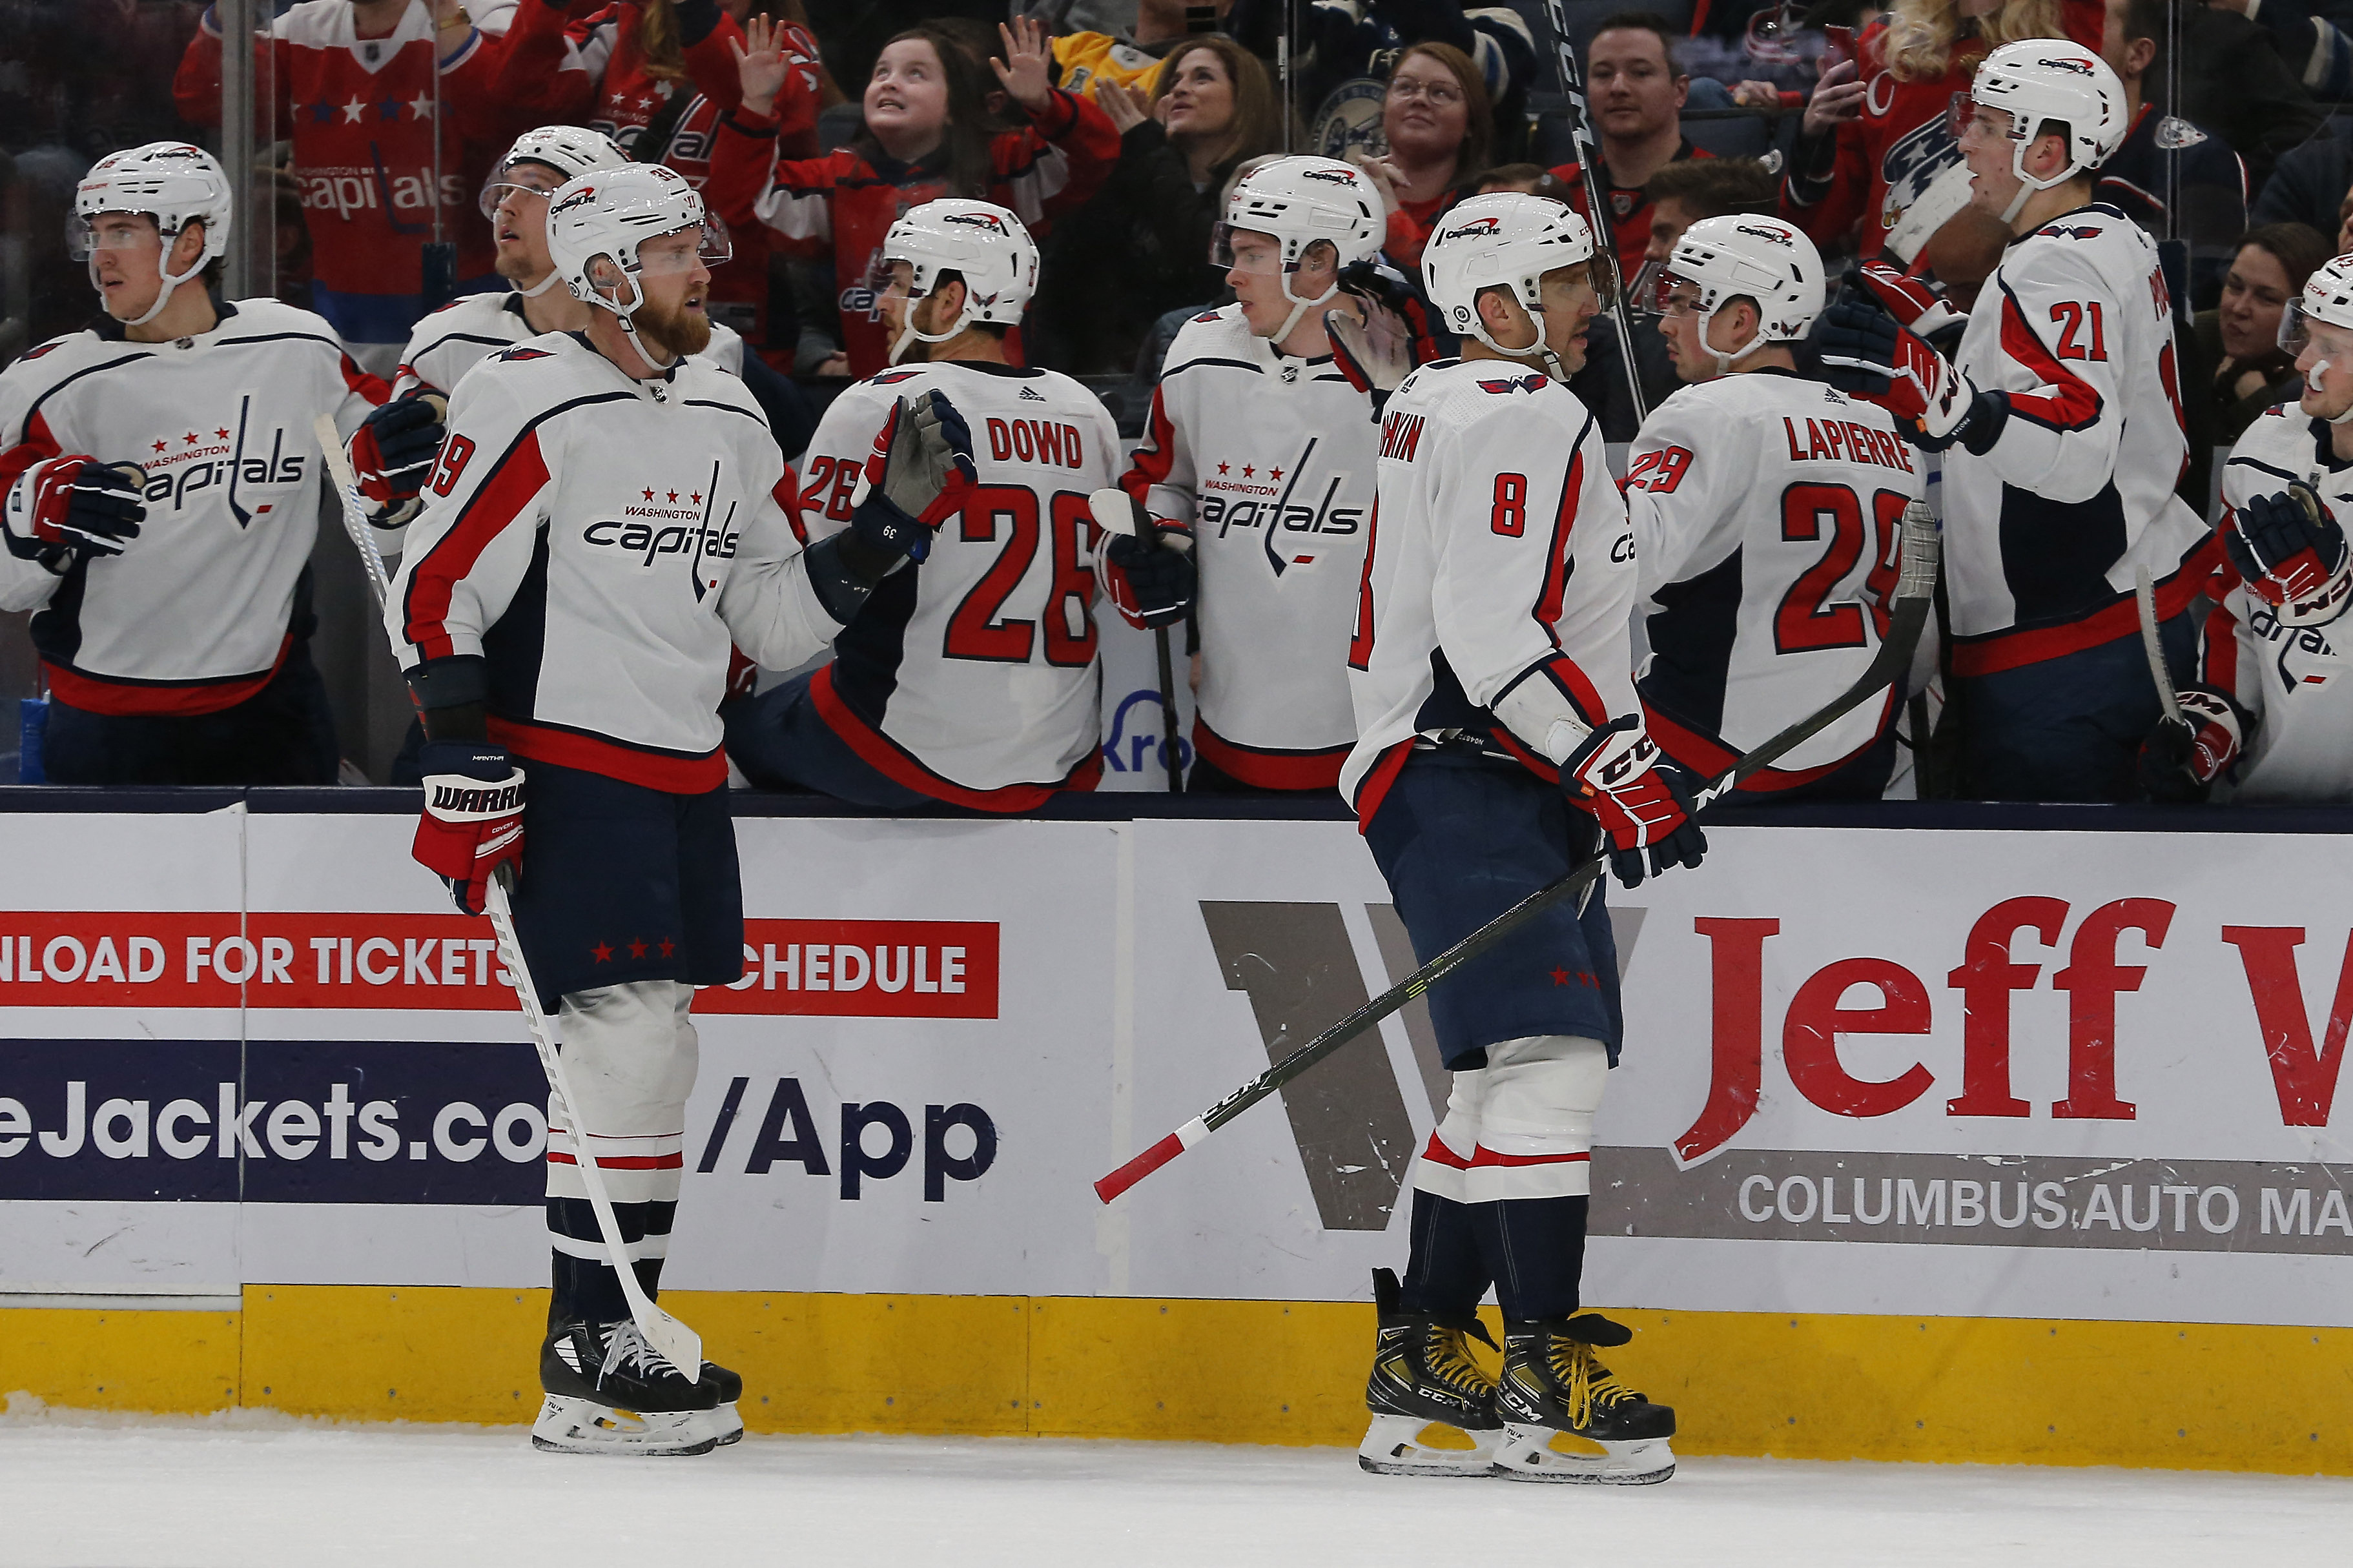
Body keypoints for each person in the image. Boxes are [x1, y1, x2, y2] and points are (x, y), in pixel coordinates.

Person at [384, 163, 959, 1453]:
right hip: (568, 767)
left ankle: (611, 1335)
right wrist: (463, 755)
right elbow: (435, 586)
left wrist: (884, 532)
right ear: (600, 273)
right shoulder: (525, 396)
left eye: (701, 249)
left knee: (657, 1052)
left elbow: (761, 620)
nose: (707, 270)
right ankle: (590, 1344)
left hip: (683, 768)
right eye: (677, 252)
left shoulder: (726, 410)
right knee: (627, 1046)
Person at [1344, 193, 1699, 1483]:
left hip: (1477, 765)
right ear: (1495, 307)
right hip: (1472, 762)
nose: (1585, 300)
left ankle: (1428, 1347)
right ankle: (1541, 1358)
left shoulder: (1454, 398)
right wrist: (1609, 761)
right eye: (1558, 282)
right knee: (1556, 1058)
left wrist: (1609, 757)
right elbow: (1490, 632)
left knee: (1500, 1076)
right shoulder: (1518, 409)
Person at [1815, 41, 2212, 804]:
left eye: (1988, 124)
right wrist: (1947, 340)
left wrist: (1946, 398)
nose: (1964, 140)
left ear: (2046, 150)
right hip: (2105, 613)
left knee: (2054, 877)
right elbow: (2067, 389)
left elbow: (2073, 450)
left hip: (2070, 635)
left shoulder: (2052, 264)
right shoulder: (2107, 236)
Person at [0, 143, 385, 786]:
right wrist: (31, 519)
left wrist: (396, 463)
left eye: (124, 231)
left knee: (289, 891)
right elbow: (9, 586)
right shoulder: (47, 383)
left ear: (192, 242)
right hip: (106, 727)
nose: (101, 256)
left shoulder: (296, 346)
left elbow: (383, 506)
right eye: (93, 234)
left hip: (273, 715)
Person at [724, 199, 1122, 810]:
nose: (881, 303)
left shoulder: (881, 402)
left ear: (952, 300)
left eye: (903, 284)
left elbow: (809, 602)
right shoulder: (1085, 408)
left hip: (900, 745)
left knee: (716, 740)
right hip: (1059, 752)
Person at [355, 124, 814, 553]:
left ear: (591, 220)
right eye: (504, 187)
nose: (505, 206)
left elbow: (783, 495)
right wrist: (383, 497)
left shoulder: (702, 348)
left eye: (533, 188)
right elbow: (392, 541)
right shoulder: (449, 338)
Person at [1111, 156, 1386, 792]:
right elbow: (1160, 484)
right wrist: (1157, 546)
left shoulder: (1413, 379)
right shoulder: (1199, 349)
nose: (1231, 274)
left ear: (1318, 261)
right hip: (1227, 729)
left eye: (1252, 254)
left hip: (1375, 743)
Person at [1629, 215, 1925, 801]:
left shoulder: (1706, 412)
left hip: (1708, 743)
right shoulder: (1892, 434)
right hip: (1860, 743)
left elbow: (1626, 566)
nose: (1666, 322)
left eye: (1686, 304)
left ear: (1742, 320)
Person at [706, 15, 1119, 378]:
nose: (889, 81)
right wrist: (756, 104)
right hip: (878, 395)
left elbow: (1093, 156)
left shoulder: (1005, 166)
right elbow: (743, 207)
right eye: (881, 71)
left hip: (988, 390)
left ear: (958, 105)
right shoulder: (837, 179)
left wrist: (1044, 103)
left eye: (916, 74)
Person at [174, 0, 514, 374]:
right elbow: (206, 100)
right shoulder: (300, 28)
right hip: (341, 314)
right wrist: (229, 12)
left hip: (473, 309)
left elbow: (504, 114)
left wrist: (449, 20)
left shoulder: (486, 15)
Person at [487, 0, 825, 371]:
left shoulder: (786, 43)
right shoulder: (620, 23)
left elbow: (752, 93)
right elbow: (517, 99)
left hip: (728, 288)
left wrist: (690, 12)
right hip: (607, 291)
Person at [2141, 254, 2353, 804]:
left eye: (2330, 349)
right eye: (2306, 336)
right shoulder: (2267, 449)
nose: (2304, 361)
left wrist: (2328, 602)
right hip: (2268, 805)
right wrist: (2214, 726)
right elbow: (2238, 614)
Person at [1781, 0, 2102, 272]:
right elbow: (1821, 219)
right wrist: (1814, 138)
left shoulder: (2063, 32)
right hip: (1895, 292)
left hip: (2012, 278)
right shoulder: (1885, 45)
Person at [1029, 35, 1283, 376]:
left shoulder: (1263, 183)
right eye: (1175, 80)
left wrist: (1147, 150)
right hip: (1116, 381)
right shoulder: (1143, 168)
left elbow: (1205, 263)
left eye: (1202, 77)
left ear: (1245, 100)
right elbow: (1072, 277)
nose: (1180, 89)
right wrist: (1124, 161)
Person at [2093, 0, 2245, 306]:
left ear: (2137, 54)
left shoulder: (2197, 161)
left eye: (2088, 25)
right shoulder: (2016, 147)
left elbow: (2195, 307)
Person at [1543, 14, 1712, 283]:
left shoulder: (1720, 193)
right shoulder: (1552, 195)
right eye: (1603, 74)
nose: (1618, 87)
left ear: (1679, 91)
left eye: (1640, 72)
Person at [1353, 42, 1493, 274]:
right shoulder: (1350, 192)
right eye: (1405, 87)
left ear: (1471, 122)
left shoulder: (1485, 207)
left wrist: (1389, 214)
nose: (1419, 100)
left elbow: (1444, 292)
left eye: (1440, 92)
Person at [2192, 225, 2332, 445]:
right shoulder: (2194, 339)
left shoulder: (2325, 375)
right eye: (2235, 286)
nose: (2239, 308)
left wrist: (2258, 402)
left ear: (2304, 316)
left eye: (2266, 298)